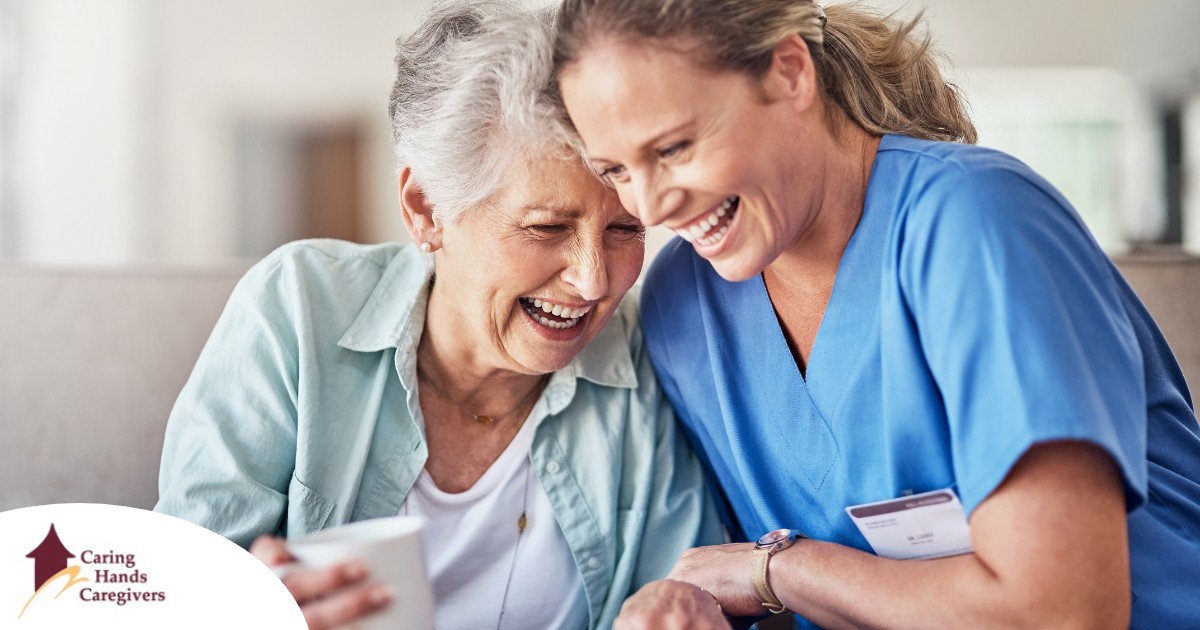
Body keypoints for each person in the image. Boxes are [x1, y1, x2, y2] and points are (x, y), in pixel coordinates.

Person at [552, 1, 1200, 628]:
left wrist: (776, 571)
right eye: (616, 169)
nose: (652, 206)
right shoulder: (685, 305)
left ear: (790, 72)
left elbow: (1064, 614)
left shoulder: (976, 223)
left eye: (673, 148)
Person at [155, 2, 721, 629]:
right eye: (546, 228)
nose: (593, 280)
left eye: (625, 229)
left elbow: (688, 583)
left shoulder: (643, 354)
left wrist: (686, 604)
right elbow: (174, 588)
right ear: (426, 210)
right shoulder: (298, 307)